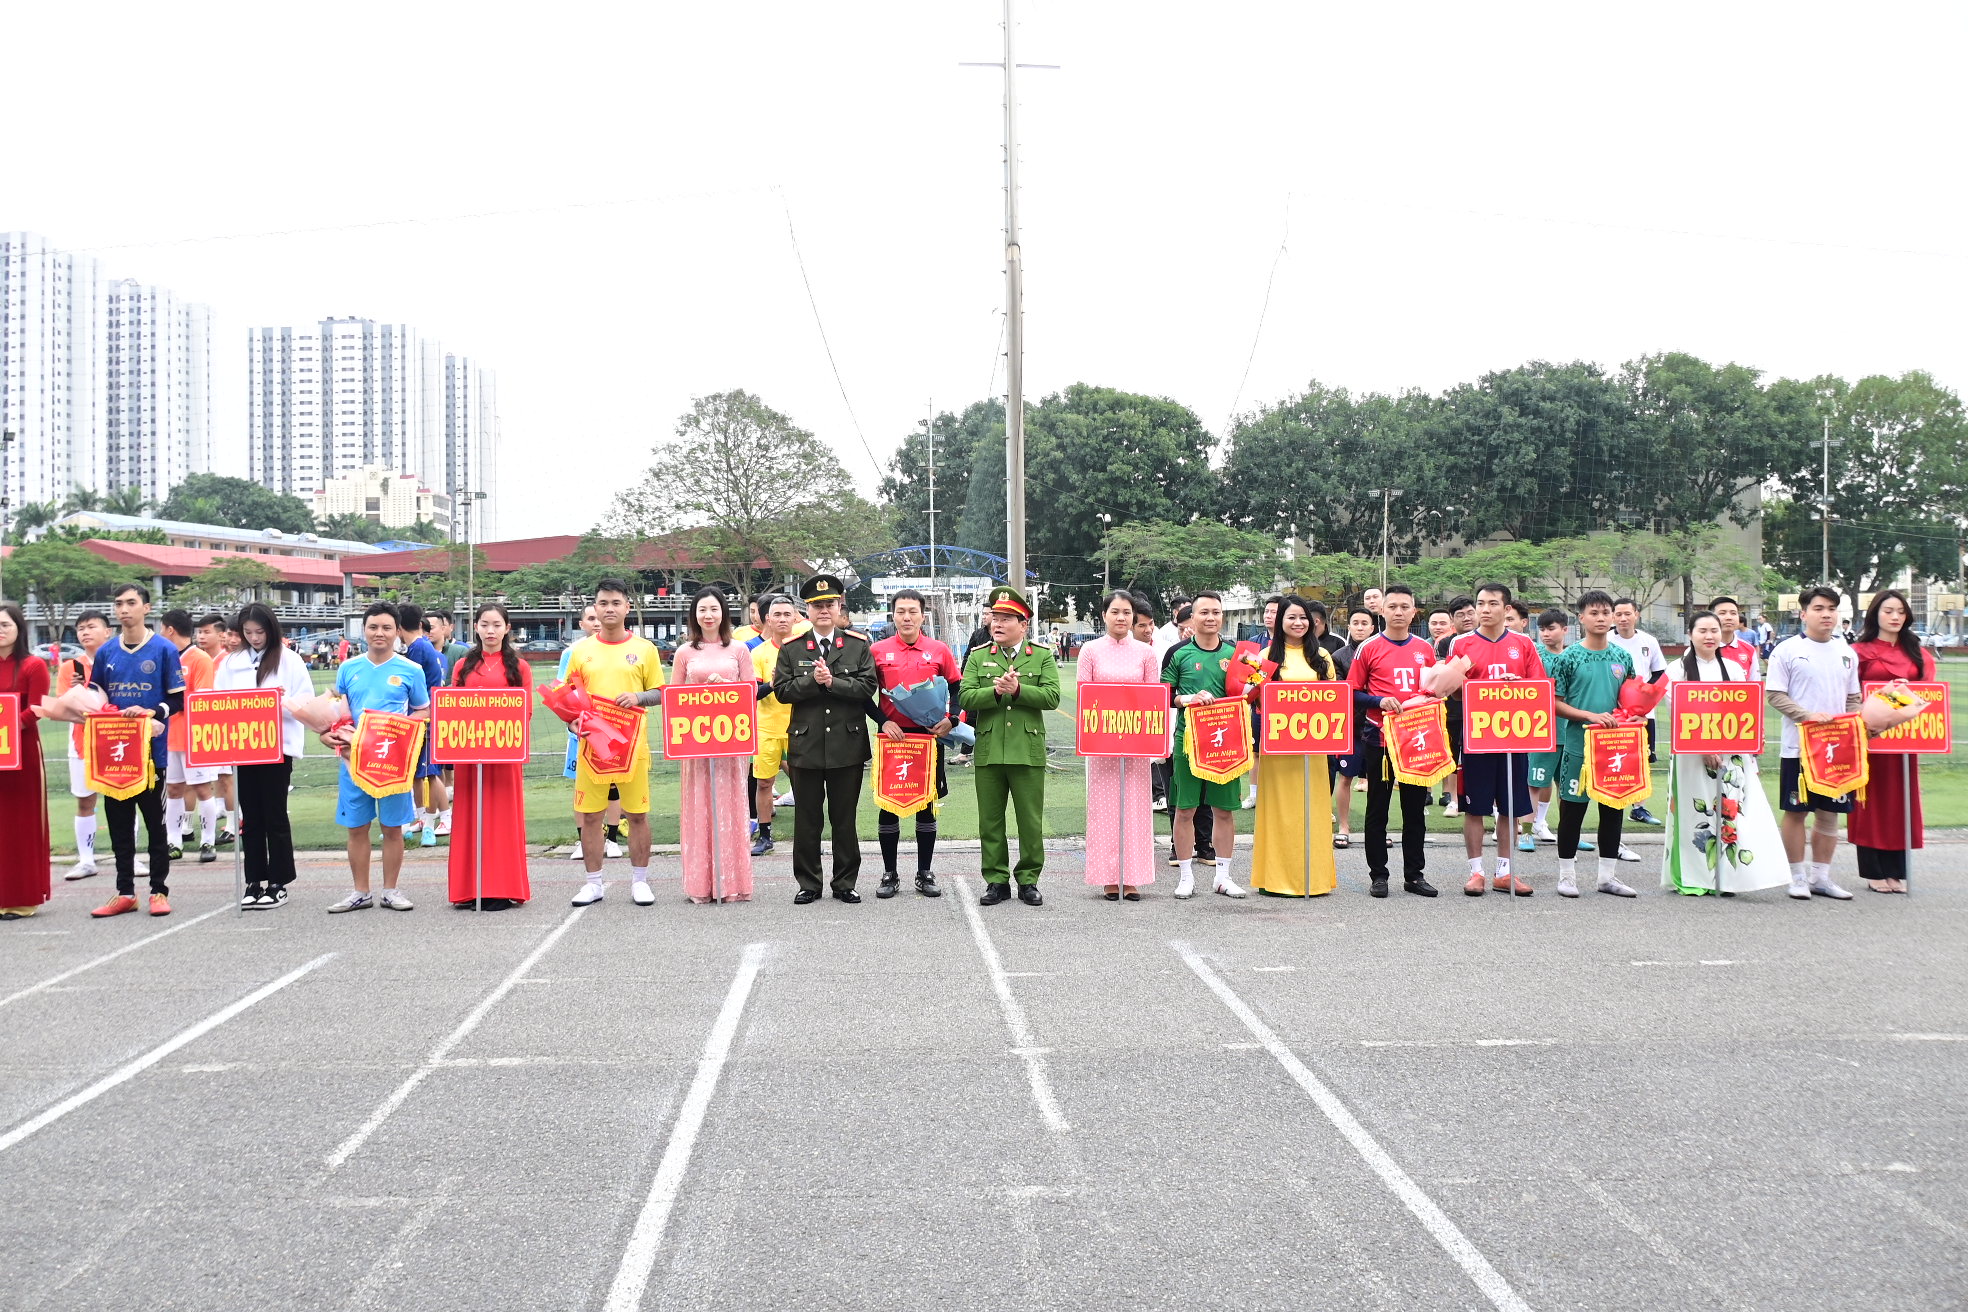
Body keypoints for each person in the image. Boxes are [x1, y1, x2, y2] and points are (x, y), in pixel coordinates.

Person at [1660, 612, 1788, 897]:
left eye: (1714, 630)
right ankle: (1694, 876)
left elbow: (1743, 712)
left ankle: (1728, 876)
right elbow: (1678, 713)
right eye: (1702, 630)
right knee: (1696, 814)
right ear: (1690, 634)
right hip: (1691, 757)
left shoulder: (1733, 668)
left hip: (1732, 755)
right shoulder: (1676, 671)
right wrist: (1703, 747)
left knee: (1732, 811)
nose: (1709, 636)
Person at [773, 574, 877, 904]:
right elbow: (781, 692)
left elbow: (866, 687)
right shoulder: (791, 649)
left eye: (829, 604)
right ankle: (809, 883)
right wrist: (813, 683)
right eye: (817, 606)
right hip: (806, 746)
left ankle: (845, 882)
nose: (823, 611)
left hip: (847, 745)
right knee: (808, 819)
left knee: (844, 820)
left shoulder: (858, 645)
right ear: (807, 610)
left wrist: (832, 682)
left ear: (839, 606)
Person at [86, 583, 184, 918]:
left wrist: (154, 714)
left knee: (155, 825)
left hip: (150, 756)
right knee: (119, 826)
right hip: (113, 756)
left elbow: (178, 698)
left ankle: (158, 890)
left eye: (131, 603)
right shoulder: (106, 653)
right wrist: (89, 710)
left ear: (146, 607)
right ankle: (125, 891)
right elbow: (96, 697)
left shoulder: (163, 650)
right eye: (119, 604)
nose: (124, 609)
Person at [323, 603, 429, 913]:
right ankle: (360, 891)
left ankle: (391, 890)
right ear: (364, 631)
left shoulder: (411, 669)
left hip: (392, 762)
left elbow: (423, 709)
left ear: (397, 631)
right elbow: (339, 710)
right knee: (356, 827)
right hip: (353, 760)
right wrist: (330, 732)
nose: (379, 633)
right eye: (373, 627)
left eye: (386, 627)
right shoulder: (349, 668)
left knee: (393, 827)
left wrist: (402, 730)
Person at [566, 578, 666, 907]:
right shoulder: (580, 651)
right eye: (603, 603)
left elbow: (660, 693)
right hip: (592, 748)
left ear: (627, 607)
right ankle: (593, 883)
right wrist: (572, 720)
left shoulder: (645, 649)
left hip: (631, 746)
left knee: (637, 815)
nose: (609, 609)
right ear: (594, 608)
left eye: (616, 603)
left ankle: (640, 880)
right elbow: (568, 698)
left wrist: (638, 696)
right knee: (591, 816)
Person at [960, 585, 1059, 905]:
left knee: (1030, 821)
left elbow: (1052, 697)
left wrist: (1018, 691)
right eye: (995, 618)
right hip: (989, 748)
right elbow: (965, 697)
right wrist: (997, 693)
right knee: (990, 820)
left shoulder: (1041, 656)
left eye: (1006, 618)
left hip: (1027, 750)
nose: (997, 624)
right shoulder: (978, 656)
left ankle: (1029, 879)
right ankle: (996, 880)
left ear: (1024, 624)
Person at [215, 603, 314, 909]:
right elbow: (219, 702)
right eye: (248, 633)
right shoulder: (231, 663)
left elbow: (306, 700)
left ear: (271, 630)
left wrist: (283, 703)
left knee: (274, 815)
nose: (255, 638)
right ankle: (253, 880)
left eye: (260, 632)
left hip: (277, 748)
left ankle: (278, 881)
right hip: (245, 748)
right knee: (251, 818)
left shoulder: (290, 660)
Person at [1767, 585, 1860, 901]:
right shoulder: (1787, 650)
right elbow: (1775, 694)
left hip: (1836, 750)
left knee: (1829, 813)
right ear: (1803, 613)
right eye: (1819, 608)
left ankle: (1821, 877)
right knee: (1796, 811)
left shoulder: (1847, 653)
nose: (1826, 614)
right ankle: (1797, 877)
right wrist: (1805, 716)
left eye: (1832, 609)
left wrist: (1856, 724)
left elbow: (1853, 697)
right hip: (1799, 747)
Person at [1447, 584, 1540, 896]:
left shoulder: (1524, 644)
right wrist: (1479, 686)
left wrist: (1518, 684)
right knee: (1475, 808)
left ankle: (1505, 872)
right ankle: (1476, 873)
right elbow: (1451, 691)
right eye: (1480, 603)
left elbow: (1538, 689)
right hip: (1477, 737)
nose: (1484, 610)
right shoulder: (1461, 644)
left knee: (1511, 808)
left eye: (1492, 604)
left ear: (1507, 608)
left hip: (1514, 737)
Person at [1347, 585, 1439, 898]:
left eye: (1405, 607)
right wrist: (1379, 700)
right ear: (1382, 611)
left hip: (1416, 739)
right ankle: (1379, 875)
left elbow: (1433, 689)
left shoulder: (1425, 649)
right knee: (1377, 810)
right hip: (1380, 739)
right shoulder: (1368, 648)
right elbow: (1352, 692)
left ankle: (1414, 875)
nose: (1398, 612)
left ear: (1414, 612)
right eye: (1393, 606)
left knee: (1415, 809)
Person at [1549, 590, 1640, 899]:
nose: (1601, 618)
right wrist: (1589, 715)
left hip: (1615, 749)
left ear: (1613, 616)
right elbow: (1555, 703)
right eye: (1594, 613)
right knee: (1572, 813)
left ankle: (1607, 877)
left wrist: (1633, 718)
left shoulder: (1622, 657)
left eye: (1606, 613)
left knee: (1613, 812)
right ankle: (1567, 876)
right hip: (1578, 748)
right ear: (1581, 618)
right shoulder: (1568, 658)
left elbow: (1632, 700)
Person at [870, 588, 960, 897]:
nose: (906, 617)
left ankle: (925, 872)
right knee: (889, 806)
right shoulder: (878, 651)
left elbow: (957, 687)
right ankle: (889, 874)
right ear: (892, 615)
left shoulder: (938, 650)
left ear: (923, 615)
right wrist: (884, 721)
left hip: (927, 738)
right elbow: (863, 694)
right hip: (892, 739)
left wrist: (953, 719)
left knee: (926, 805)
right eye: (900, 611)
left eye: (912, 611)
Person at [667, 589, 755, 904]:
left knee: (730, 807)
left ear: (723, 613)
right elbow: (672, 698)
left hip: (730, 743)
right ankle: (700, 885)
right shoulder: (684, 653)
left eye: (714, 609)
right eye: (702, 609)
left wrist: (728, 688)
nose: (708, 615)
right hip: (695, 744)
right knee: (700, 808)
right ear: (694, 614)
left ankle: (733, 883)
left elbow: (751, 692)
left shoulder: (740, 650)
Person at [445, 603, 536, 909]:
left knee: (502, 819)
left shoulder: (519, 666)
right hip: (470, 756)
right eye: (485, 624)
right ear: (476, 627)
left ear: (507, 628)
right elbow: (451, 708)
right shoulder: (463, 665)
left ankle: (502, 886)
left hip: (503, 754)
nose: (491, 631)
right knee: (470, 817)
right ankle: (470, 888)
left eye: (497, 625)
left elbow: (525, 711)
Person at [1161, 592, 1249, 900]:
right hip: (1190, 740)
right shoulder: (1178, 653)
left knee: (1224, 810)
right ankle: (1186, 876)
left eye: (1216, 612)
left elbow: (1251, 690)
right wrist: (1188, 698)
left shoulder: (1238, 654)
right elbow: (1164, 695)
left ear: (1222, 617)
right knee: (1185, 809)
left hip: (1227, 741)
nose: (1210, 618)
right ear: (1191, 618)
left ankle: (1223, 877)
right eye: (1204, 612)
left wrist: (1254, 688)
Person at [1250, 597, 1340, 897]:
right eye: (1291, 617)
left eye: (1303, 617)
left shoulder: (1323, 656)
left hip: (1313, 749)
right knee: (1279, 812)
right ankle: (1274, 878)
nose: (1298, 623)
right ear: (1280, 622)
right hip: (1278, 751)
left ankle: (1312, 879)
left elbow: (1333, 699)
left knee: (1311, 810)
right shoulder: (1264, 656)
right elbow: (1254, 699)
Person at [1849, 589, 1935, 894]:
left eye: (1900, 611)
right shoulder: (1858, 652)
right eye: (1888, 611)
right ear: (1875, 614)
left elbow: (1929, 691)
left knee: (1902, 800)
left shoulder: (1917, 653)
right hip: (1872, 738)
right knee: (1871, 800)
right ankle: (1873, 870)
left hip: (1904, 740)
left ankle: (1897, 871)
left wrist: (1899, 699)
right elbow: (1850, 693)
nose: (1895, 616)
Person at [1078, 590, 1161, 899]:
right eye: (1115, 611)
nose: (1121, 618)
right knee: (1104, 811)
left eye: (1127, 612)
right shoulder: (1090, 651)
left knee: (1136, 810)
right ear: (1104, 615)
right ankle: (1109, 876)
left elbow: (1154, 699)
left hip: (1137, 743)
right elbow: (1085, 695)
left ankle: (1134, 876)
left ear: (1133, 617)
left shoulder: (1146, 653)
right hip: (1102, 743)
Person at [559, 606, 626, 861]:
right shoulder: (572, 653)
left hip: (613, 732)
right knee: (581, 788)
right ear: (582, 624)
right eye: (591, 619)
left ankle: (611, 839)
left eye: (598, 618)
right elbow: (563, 692)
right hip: (583, 733)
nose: (597, 622)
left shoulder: (620, 647)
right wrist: (572, 721)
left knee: (613, 786)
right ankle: (583, 840)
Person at [0, 603, 53, 919]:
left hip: (22, 754)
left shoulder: (34, 666)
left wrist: (6, 726)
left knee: (21, 824)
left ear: (19, 627)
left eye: (5, 624)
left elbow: (38, 709)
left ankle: (23, 897)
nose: (0, 629)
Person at [1525, 608, 1592, 853]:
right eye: (1541, 629)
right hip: (1543, 731)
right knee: (1535, 782)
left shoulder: (1575, 655)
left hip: (1571, 730)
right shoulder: (1535, 654)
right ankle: (1527, 833)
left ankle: (1571, 834)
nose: (1545, 634)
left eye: (1551, 628)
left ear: (1565, 629)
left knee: (1570, 788)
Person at [158, 609, 221, 865]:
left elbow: (202, 697)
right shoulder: (165, 657)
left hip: (195, 736)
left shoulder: (199, 659)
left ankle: (208, 840)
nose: (160, 634)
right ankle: (173, 841)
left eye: (162, 629)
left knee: (202, 789)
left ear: (170, 629)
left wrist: (170, 703)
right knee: (173, 789)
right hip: (169, 734)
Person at [58, 610, 113, 882]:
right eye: (80, 628)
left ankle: (128, 856)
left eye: (91, 626)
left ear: (108, 631)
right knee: (85, 801)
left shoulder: (118, 661)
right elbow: (61, 706)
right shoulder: (71, 667)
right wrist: (75, 693)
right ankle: (86, 859)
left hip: (117, 739)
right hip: (82, 741)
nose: (85, 632)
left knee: (123, 797)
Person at [1609, 597, 1667, 825]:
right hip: (1613, 711)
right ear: (1613, 616)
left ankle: (1639, 807)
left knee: (1642, 759)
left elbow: (1659, 672)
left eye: (1627, 614)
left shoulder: (1649, 641)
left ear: (1637, 615)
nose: (1623, 618)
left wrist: (1643, 696)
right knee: (1612, 756)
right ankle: (1613, 802)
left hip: (1643, 714)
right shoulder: (1606, 640)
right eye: (1619, 614)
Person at [398, 604, 451, 847]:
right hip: (423, 715)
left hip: (425, 717)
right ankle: (422, 819)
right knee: (418, 773)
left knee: (429, 772)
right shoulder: (423, 647)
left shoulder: (418, 648)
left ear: (397, 627)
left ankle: (435, 820)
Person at [749, 595, 798, 855]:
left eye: (786, 614)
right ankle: (765, 835)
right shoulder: (758, 653)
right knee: (765, 783)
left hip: (800, 727)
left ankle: (808, 833)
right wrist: (772, 684)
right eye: (776, 614)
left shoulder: (805, 649)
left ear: (795, 618)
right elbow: (753, 692)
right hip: (766, 728)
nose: (781, 619)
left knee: (805, 781)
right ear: (768, 618)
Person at [1330, 607, 1379, 848]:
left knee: (1379, 782)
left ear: (1372, 627)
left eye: (1364, 623)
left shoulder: (1381, 651)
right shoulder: (1339, 656)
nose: (1360, 627)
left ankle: (1378, 829)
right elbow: (1341, 692)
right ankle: (1344, 827)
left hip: (1379, 727)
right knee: (1346, 777)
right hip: (1351, 727)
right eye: (1355, 623)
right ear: (1348, 627)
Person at [195, 613, 239, 845]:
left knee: (225, 777)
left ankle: (233, 825)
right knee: (207, 778)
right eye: (199, 632)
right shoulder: (200, 659)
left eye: (206, 632)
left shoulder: (227, 660)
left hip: (224, 726)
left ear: (221, 635)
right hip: (205, 726)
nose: (201, 636)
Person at [1433, 595, 1477, 816]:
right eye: (1460, 615)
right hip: (1452, 708)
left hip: (1480, 711)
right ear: (1453, 619)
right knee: (1452, 753)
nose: (1467, 618)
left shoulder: (1483, 640)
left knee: (1476, 758)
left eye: (1470, 613)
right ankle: (1452, 798)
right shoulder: (1446, 642)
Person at [1709, 596, 1759, 677]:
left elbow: (1754, 684)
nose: (1729, 617)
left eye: (1733, 613)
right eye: (1722, 613)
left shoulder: (1749, 650)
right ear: (1710, 617)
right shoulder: (1698, 650)